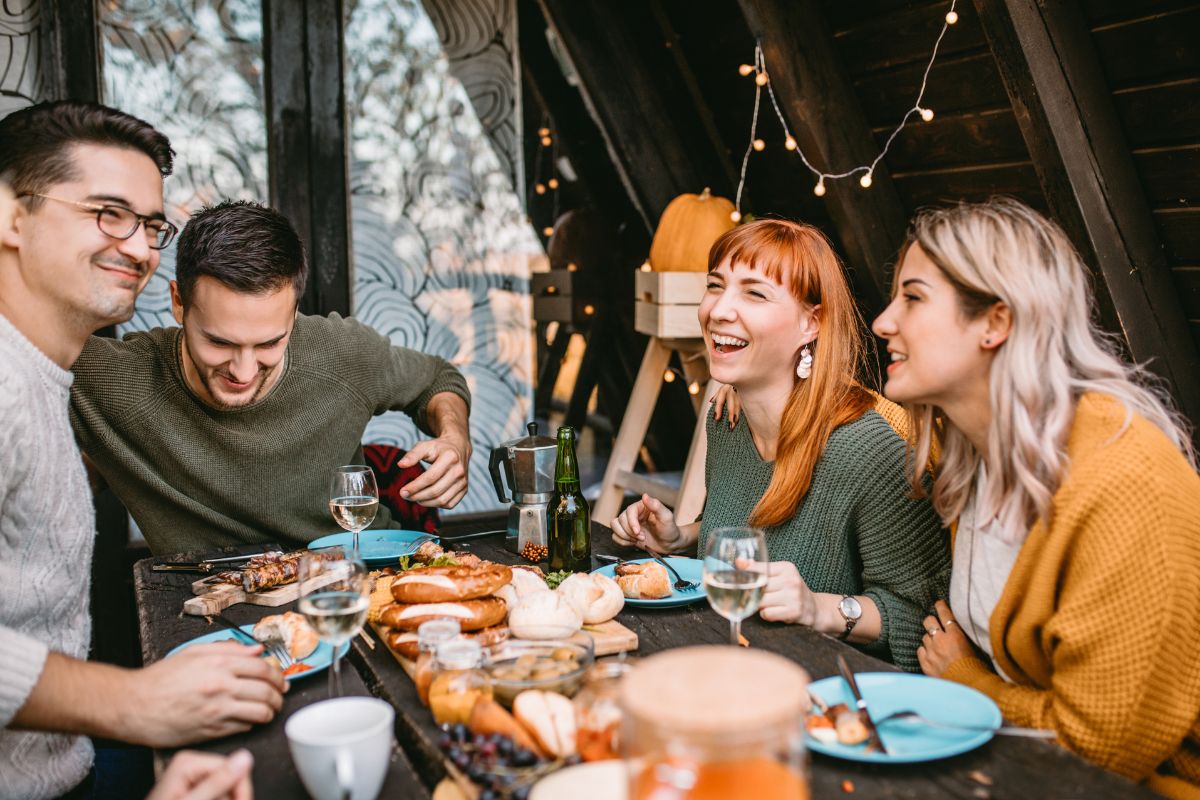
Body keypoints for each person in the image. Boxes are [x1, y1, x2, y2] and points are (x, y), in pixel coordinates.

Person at [0, 101, 285, 800]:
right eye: (107, 212)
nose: (139, 247)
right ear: (10, 215)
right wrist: (135, 702)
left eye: (151, 224)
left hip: (66, 769)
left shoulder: (43, 376)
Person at [871, 198, 1200, 797]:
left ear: (996, 323)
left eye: (913, 298)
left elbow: (1100, 748)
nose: (883, 321)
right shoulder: (970, 455)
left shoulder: (1125, 481)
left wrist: (969, 682)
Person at [612, 219, 949, 670]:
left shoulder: (870, 452)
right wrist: (679, 539)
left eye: (754, 293)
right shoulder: (726, 422)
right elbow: (750, 542)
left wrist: (818, 609)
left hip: (834, 696)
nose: (719, 310)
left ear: (811, 323)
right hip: (732, 667)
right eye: (716, 285)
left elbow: (920, 619)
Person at [69, 199, 473, 555]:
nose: (243, 372)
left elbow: (437, 379)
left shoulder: (341, 351)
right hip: (217, 610)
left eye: (268, 344)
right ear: (178, 303)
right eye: (219, 343)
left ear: (294, 313)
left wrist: (455, 439)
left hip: (365, 581)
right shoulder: (110, 377)